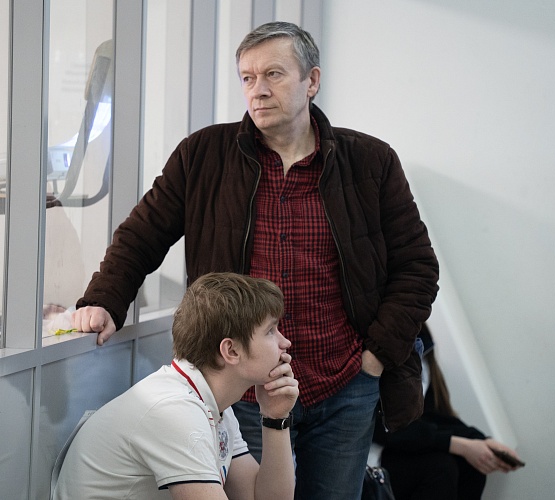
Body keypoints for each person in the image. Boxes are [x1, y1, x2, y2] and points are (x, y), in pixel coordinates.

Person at [72, 21, 439, 499]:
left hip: (343, 385)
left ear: (311, 80)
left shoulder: (371, 161)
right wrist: (104, 299)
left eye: (273, 75)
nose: (258, 90)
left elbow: (417, 267)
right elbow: (142, 235)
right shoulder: (204, 155)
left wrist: (376, 357)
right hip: (241, 388)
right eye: (247, 77)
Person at [54, 272, 298, 499]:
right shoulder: (176, 411)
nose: (285, 342)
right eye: (270, 331)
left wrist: (275, 417)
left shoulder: (210, 401)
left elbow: (259, 497)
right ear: (231, 350)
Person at [373, 324, 523, 500]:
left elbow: (432, 416)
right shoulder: (380, 343)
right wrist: (458, 445)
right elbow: (381, 426)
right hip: (372, 455)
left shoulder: (422, 348)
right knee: (441, 468)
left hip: (397, 449)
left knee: (470, 465)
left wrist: (479, 440)